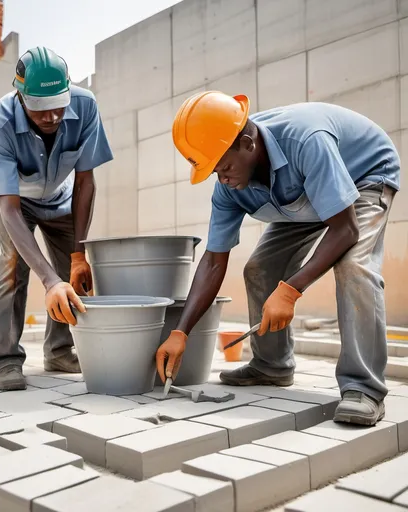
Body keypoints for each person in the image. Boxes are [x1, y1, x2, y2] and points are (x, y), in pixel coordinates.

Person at [156, 91, 400, 426]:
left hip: (363, 177)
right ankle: (272, 366)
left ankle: (364, 389)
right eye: (214, 171)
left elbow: (344, 230)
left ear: (248, 143)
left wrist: (291, 289)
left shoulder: (305, 141)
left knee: (353, 266)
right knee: (259, 269)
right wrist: (181, 331)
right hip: (306, 196)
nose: (222, 178)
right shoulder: (229, 186)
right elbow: (213, 260)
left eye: (224, 166)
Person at [0, 47, 113, 391]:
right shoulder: (1, 122)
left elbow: (85, 182)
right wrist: (50, 281)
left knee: (75, 270)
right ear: (22, 97)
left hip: (60, 199)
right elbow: (8, 208)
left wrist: (79, 254)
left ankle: (59, 350)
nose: (52, 117)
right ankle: (6, 360)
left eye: (58, 105)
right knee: (12, 267)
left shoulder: (85, 106)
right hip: (16, 202)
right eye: (40, 110)